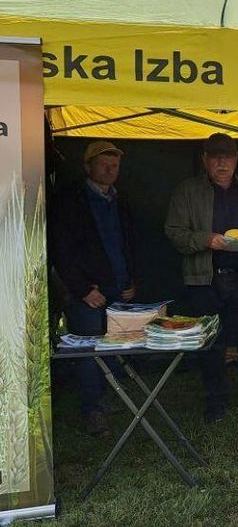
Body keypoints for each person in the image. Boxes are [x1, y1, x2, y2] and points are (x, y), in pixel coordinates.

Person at [165, 133, 238, 422]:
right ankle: (215, 402)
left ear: (236, 159)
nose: (222, 162)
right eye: (215, 157)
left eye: (227, 156)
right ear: (204, 160)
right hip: (205, 279)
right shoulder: (187, 191)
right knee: (210, 344)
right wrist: (206, 239)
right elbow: (174, 232)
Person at [49, 141, 139, 435]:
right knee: (88, 351)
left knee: (114, 348)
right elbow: (61, 250)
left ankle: (110, 398)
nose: (110, 170)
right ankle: (92, 410)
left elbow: (130, 244)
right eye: (104, 164)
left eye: (114, 165)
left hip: (118, 291)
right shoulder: (70, 200)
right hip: (87, 295)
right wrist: (83, 289)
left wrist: (131, 281)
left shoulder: (120, 200)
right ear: (87, 167)